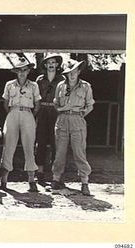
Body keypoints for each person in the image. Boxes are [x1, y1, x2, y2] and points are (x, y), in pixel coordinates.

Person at [0, 57, 41, 192]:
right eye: (19, 70)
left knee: (29, 147)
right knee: (8, 146)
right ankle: (4, 180)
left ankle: (31, 179)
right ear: (16, 72)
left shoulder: (34, 86)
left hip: (27, 113)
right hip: (13, 113)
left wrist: (29, 115)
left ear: (28, 71)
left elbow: (37, 105)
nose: (22, 73)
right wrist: (13, 113)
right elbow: (5, 103)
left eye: (25, 70)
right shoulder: (9, 85)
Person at [51, 59, 95, 196]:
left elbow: (90, 105)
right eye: (69, 73)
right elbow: (56, 103)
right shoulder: (60, 86)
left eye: (74, 72)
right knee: (60, 152)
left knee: (79, 152)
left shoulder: (86, 86)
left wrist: (81, 114)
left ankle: (84, 182)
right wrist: (62, 109)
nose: (71, 75)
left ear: (79, 71)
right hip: (62, 119)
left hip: (77, 120)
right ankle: (56, 179)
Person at [35, 54, 65, 185]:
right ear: (45, 65)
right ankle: (40, 172)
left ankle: (55, 175)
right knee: (40, 141)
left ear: (57, 65)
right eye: (49, 63)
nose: (51, 65)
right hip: (42, 111)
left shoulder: (62, 79)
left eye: (54, 62)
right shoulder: (40, 80)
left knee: (56, 143)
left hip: (56, 112)